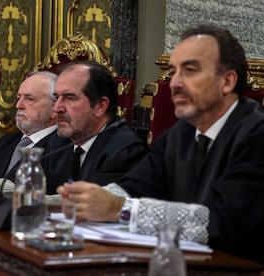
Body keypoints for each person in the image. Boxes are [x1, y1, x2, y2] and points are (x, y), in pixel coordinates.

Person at [57, 25, 264, 264]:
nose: (175, 83)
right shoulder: (181, 133)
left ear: (227, 81)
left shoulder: (256, 134)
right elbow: (135, 186)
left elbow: (220, 223)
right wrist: (88, 201)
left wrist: (121, 209)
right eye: (173, 72)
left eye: (190, 70)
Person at [43, 60, 148, 195]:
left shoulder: (126, 152)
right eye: (56, 97)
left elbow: (92, 207)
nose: (57, 108)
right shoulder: (58, 143)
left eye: (69, 97)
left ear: (100, 106)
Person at [0, 71, 58, 182]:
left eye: (30, 99)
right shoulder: (6, 141)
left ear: (55, 108)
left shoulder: (61, 150)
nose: (18, 105)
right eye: (19, 97)